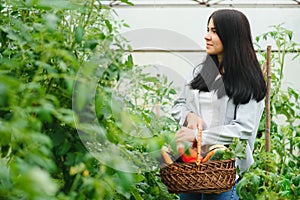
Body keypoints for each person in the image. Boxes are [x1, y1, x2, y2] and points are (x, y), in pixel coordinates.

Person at [172, 9, 267, 200]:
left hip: (223, 169)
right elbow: (179, 103)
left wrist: (199, 136)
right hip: (192, 167)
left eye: (214, 31)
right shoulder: (202, 71)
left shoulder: (247, 80)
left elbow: (244, 129)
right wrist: (189, 117)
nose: (207, 36)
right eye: (208, 29)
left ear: (231, 36)